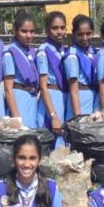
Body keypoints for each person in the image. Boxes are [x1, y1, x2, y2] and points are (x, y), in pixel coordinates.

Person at [3, 11, 42, 128]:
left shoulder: (32, 51)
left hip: (33, 99)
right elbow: (8, 89)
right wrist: (16, 116)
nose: (28, 35)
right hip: (19, 98)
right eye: (24, 31)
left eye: (32, 31)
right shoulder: (10, 52)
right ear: (15, 31)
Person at [36, 10, 69, 147]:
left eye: (62, 27)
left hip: (64, 98)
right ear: (47, 30)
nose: (59, 31)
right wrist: (53, 115)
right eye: (55, 28)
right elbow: (43, 86)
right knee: (49, 141)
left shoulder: (65, 50)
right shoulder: (44, 50)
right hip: (51, 98)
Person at [65, 14, 98, 117]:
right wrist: (77, 115)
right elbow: (73, 89)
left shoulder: (94, 52)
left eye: (88, 33)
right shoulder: (72, 55)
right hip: (80, 100)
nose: (85, 38)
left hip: (93, 99)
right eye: (80, 34)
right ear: (74, 34)